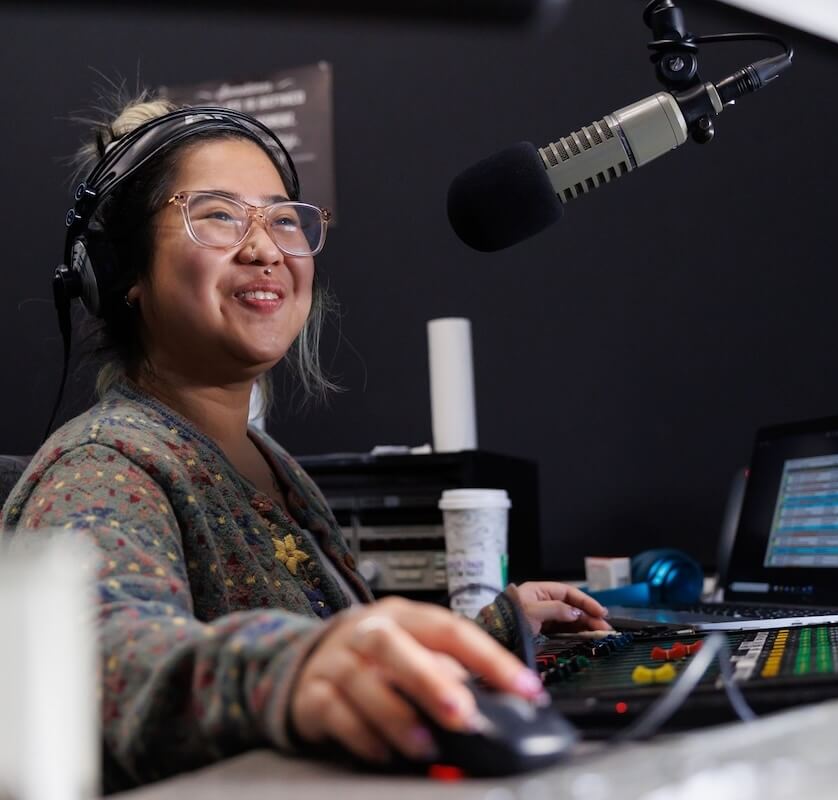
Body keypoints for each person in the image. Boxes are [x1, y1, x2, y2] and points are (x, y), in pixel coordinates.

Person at [0, 96, 611, 792]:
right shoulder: (104, 465)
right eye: (219, 215)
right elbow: (100, 659)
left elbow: (343, 663)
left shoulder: (276, 469)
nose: (265, 248)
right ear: (122, 276)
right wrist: (288, 671)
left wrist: (498, 629)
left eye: (283, 218)